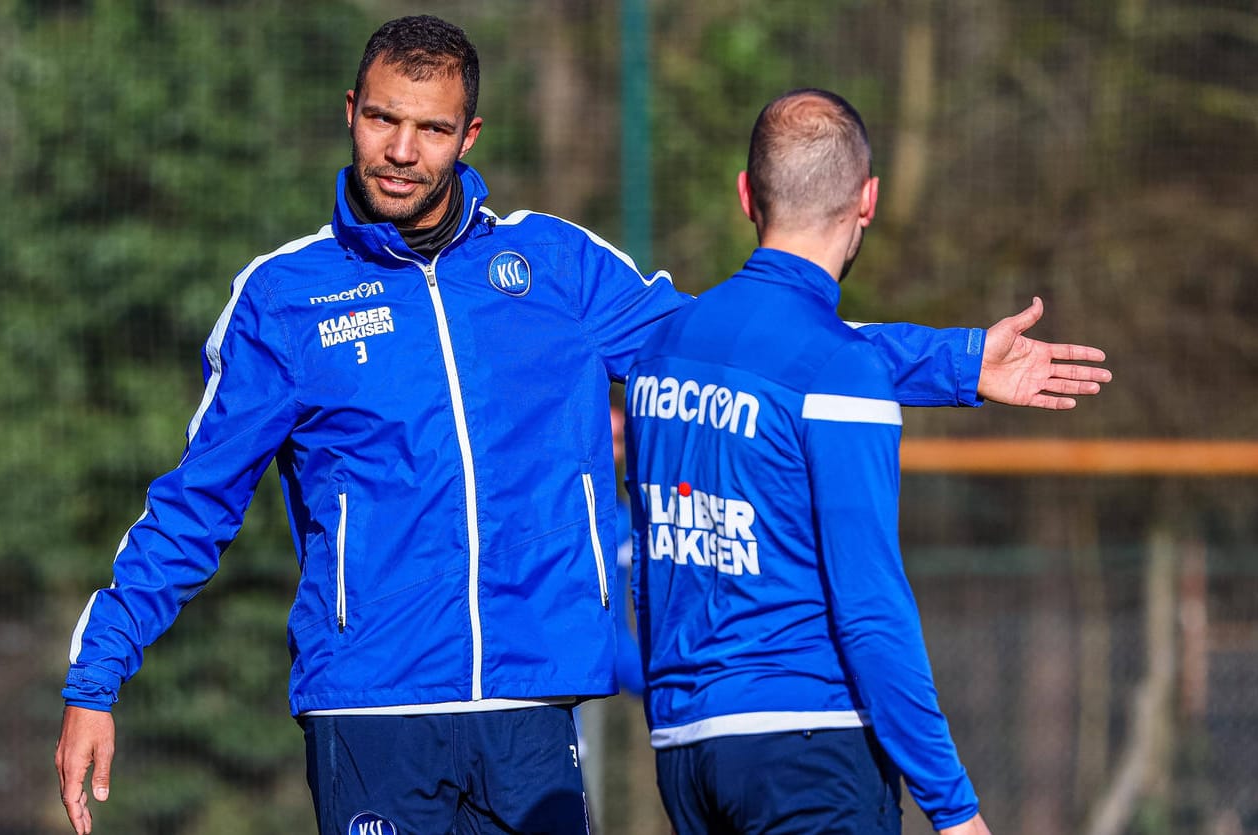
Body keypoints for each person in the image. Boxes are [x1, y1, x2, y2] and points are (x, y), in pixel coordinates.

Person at [54, 17, 1108, 835]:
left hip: (533, 709)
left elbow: (747, 348)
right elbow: (194, 503)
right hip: (370, 712)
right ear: (350, 112)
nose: (401, 151)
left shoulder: (557, 268)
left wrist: (959, 360)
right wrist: (99, 674)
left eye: (430, 128)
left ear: (471, 137)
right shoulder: (284, 299)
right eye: (383, 119)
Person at [624, 89, 1050, 834]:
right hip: (806, 747)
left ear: (746, 194)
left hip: (683, 747)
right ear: (868, 201)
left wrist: (956, 361)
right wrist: (954, 807)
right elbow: (871, 612)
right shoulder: (840, 374)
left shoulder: (663, 348)